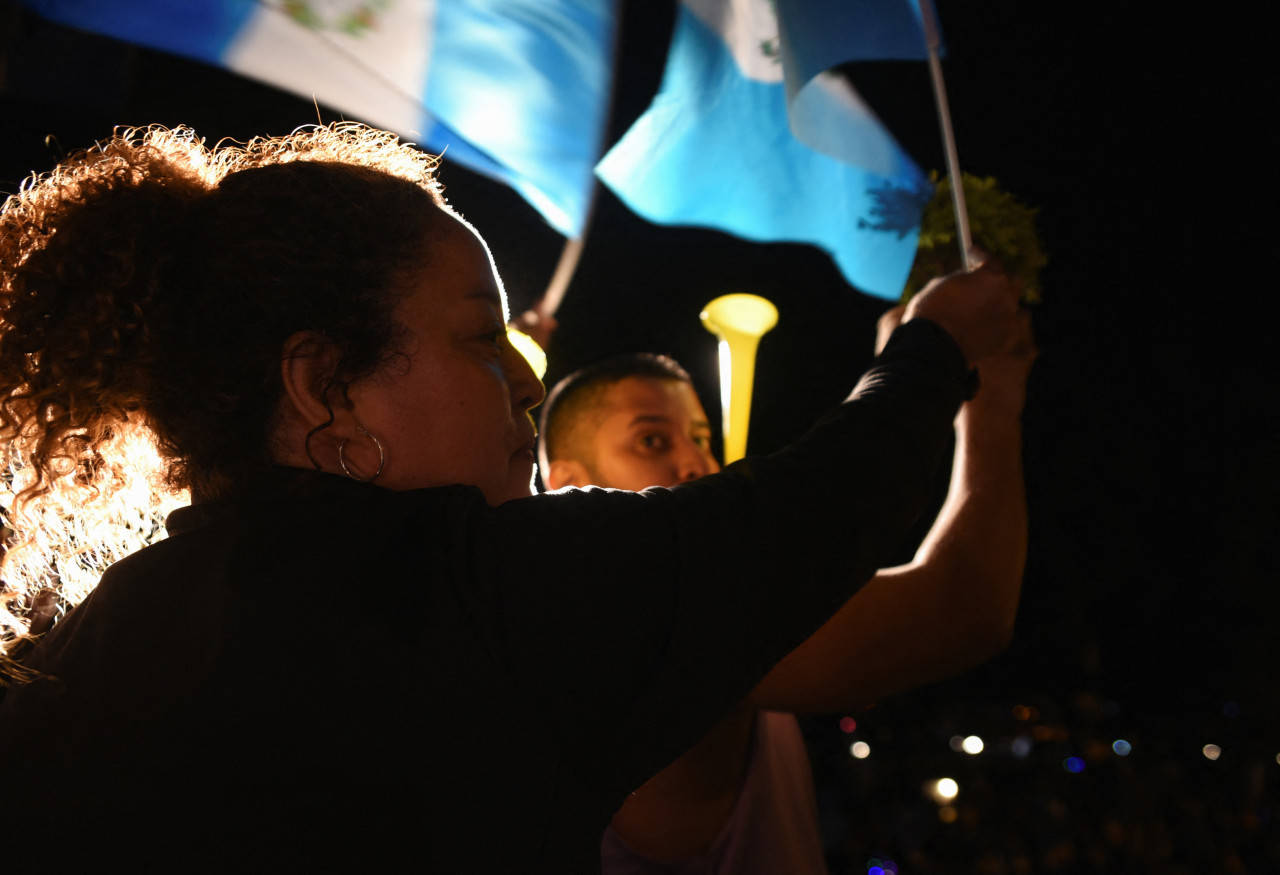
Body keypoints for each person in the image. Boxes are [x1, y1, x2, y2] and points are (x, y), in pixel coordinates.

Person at [0, 123, 1022, 872]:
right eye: (480, 340)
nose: (526, 382)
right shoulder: (469, 591)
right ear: (326, 389)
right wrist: (936, 354)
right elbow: (801, 518)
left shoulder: (76, 655)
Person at [539, 307, 1035, 873]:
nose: (696, 462)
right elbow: (966, 607)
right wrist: (991, 402)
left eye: (700, 437)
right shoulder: (663, 625)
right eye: (652, 440)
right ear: (569, 486)